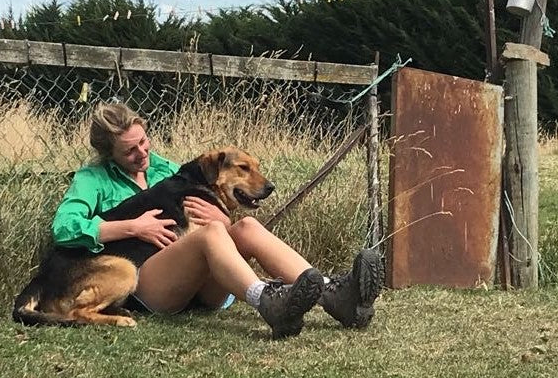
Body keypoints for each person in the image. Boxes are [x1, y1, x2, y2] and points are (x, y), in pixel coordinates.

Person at [51, 102, 382, 339]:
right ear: (108, 155)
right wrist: (132, 227)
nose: (142, 153)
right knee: (211, 233)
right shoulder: (92, 179)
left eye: (143, 141)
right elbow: (64, 227)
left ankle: (336, 297)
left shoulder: (166, 170)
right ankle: (265, 300)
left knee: (247, 226)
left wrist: (223, 218)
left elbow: (209, 205)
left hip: (198, 284)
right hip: (145, 281)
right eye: (129, 151)